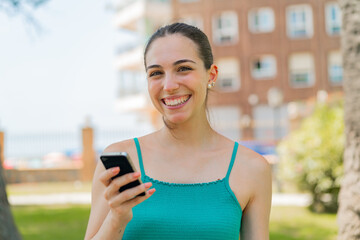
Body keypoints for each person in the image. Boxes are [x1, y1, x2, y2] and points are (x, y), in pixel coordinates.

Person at [85, 22, 272, 240]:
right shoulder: (121, 164)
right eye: (156, 73)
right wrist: (116, 217)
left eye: (183, 68)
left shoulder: (251, 168)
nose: (169, 85)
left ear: (211, 75)